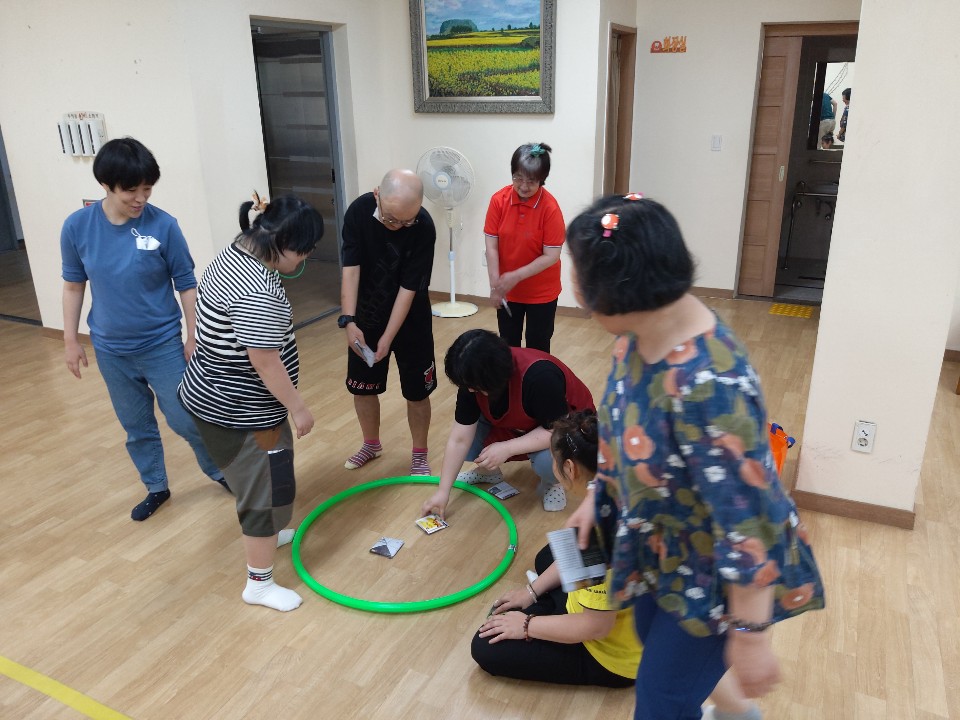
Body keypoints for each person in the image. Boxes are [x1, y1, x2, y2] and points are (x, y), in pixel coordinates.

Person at [563, 194, 824, 719]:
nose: (574, 288)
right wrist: (599, 489)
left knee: (660, 698)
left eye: (579, 274)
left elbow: (748, 522)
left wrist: (750, 635)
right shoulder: (637, 334)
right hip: (657, 540)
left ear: (623, 289)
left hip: (713, 572)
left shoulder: (710, 386)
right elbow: (622, 421)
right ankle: (737, 714)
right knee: (651, 641)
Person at [472, 410, 763, 719]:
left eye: (553, 460)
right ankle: (549, 609)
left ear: (569, 468)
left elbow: (595, 626)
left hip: (612, 656)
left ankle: (550, 620)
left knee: (485, 647)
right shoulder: (625, 487)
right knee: (549, 558)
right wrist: (531, 592)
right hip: (638, 614)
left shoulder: (595, 531)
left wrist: (526, 625)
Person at [60, 137, 228, 521]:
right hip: (111, 349)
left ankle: (222, 471)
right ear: (106, 185)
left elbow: (187, 284)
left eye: (147, 189)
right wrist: (70, 340)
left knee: (186, 418)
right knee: (136, 426)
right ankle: (156, 486)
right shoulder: (77, 227)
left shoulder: (164, 225)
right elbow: (73, 285)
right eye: (130, 191)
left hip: (162, 344)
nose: (140, 198)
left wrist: (193, 336)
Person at [178, 194, 322, 612]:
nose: (306, 259)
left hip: (224, 398)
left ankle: (270, 533)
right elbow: (264, 361)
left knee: (272, 478)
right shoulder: (257, 290)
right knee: (264, 493)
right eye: (305, 251)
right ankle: (258, 585)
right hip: (239, 411)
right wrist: (298, 407)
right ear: (283, 243)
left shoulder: (236, 252)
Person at [420, 329, 594, 517]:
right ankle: (488, 472)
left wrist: (507, 448)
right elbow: (459, 438)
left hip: (567, 428)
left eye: (473, 387)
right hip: (519, 423)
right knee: (469, 438)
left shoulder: (540, 377)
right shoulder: (471, 379)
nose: (469, 390)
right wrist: (443, 492)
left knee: (548, 461)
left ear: (491, 378)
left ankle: (553, 483)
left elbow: (557, 431)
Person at [339, 169, 437, 476]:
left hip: (412, 321)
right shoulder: (358, 212)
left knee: (417, 392)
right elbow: (350, 269)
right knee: (362, 388)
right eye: (391, 219)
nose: (397, 227)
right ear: (377, 194)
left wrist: (388, 337)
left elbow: (409, 289)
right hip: (366, 315)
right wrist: (349, 321)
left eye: (407, 221)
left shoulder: (423, 227)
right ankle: (371, 444)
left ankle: (419, 454)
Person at [484, 142, 565, 353]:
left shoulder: (550, 208)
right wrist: (496, 285)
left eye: (531, 180)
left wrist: (515, 276)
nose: (523, 186)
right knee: (508, 346)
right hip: (508, 291)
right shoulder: (498, 201)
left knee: (538, 347)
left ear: (542, 179)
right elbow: (491, 246)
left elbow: (551, 255)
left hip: (542, 293)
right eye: (518, 178)